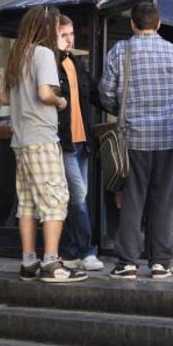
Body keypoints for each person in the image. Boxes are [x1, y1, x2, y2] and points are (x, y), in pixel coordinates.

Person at [101, 1, 173, 280]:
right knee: (164, 202)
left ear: (132, 24)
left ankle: (128, 262)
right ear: (159, 24)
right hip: (169, 138)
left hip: (132, 139)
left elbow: (106, 93)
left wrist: (125, 107)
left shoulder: (120, 51)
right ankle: (160, 263)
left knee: (132, 201)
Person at [2, 5, 86, 283]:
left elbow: (4, 100)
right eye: (53, 26)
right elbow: (44, 93)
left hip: (20, 139)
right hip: (42, 135)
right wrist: (60, 101)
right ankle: (52, 262)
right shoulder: (43, 54)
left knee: (26, 203)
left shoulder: (17, 54)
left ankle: (29, 261)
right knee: (55, 199)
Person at [55, 15, 105, 272]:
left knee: (76, 197)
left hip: (82, 140)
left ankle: (71, 250)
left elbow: (95, 94)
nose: (69, 39)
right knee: (78, 196)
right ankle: (87, 251)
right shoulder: (50, 63)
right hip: (63, 141)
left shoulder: (77, 63)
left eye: (71, 33)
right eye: (63, 34)